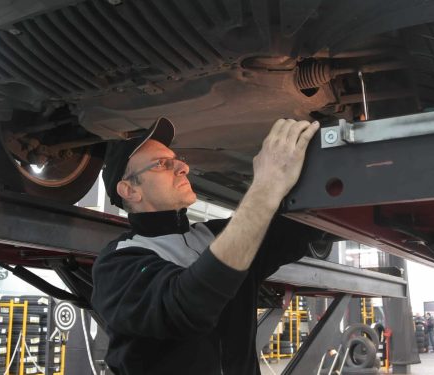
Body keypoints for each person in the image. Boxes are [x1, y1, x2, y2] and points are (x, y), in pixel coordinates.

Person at [91, 117, 320, 374]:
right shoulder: (119, 263)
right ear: (129, 191)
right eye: (162, 164)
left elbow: (307, 228)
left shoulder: (214, 235)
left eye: (178, 160)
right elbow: (188, 307)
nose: (183, 167)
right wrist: (266, 187)